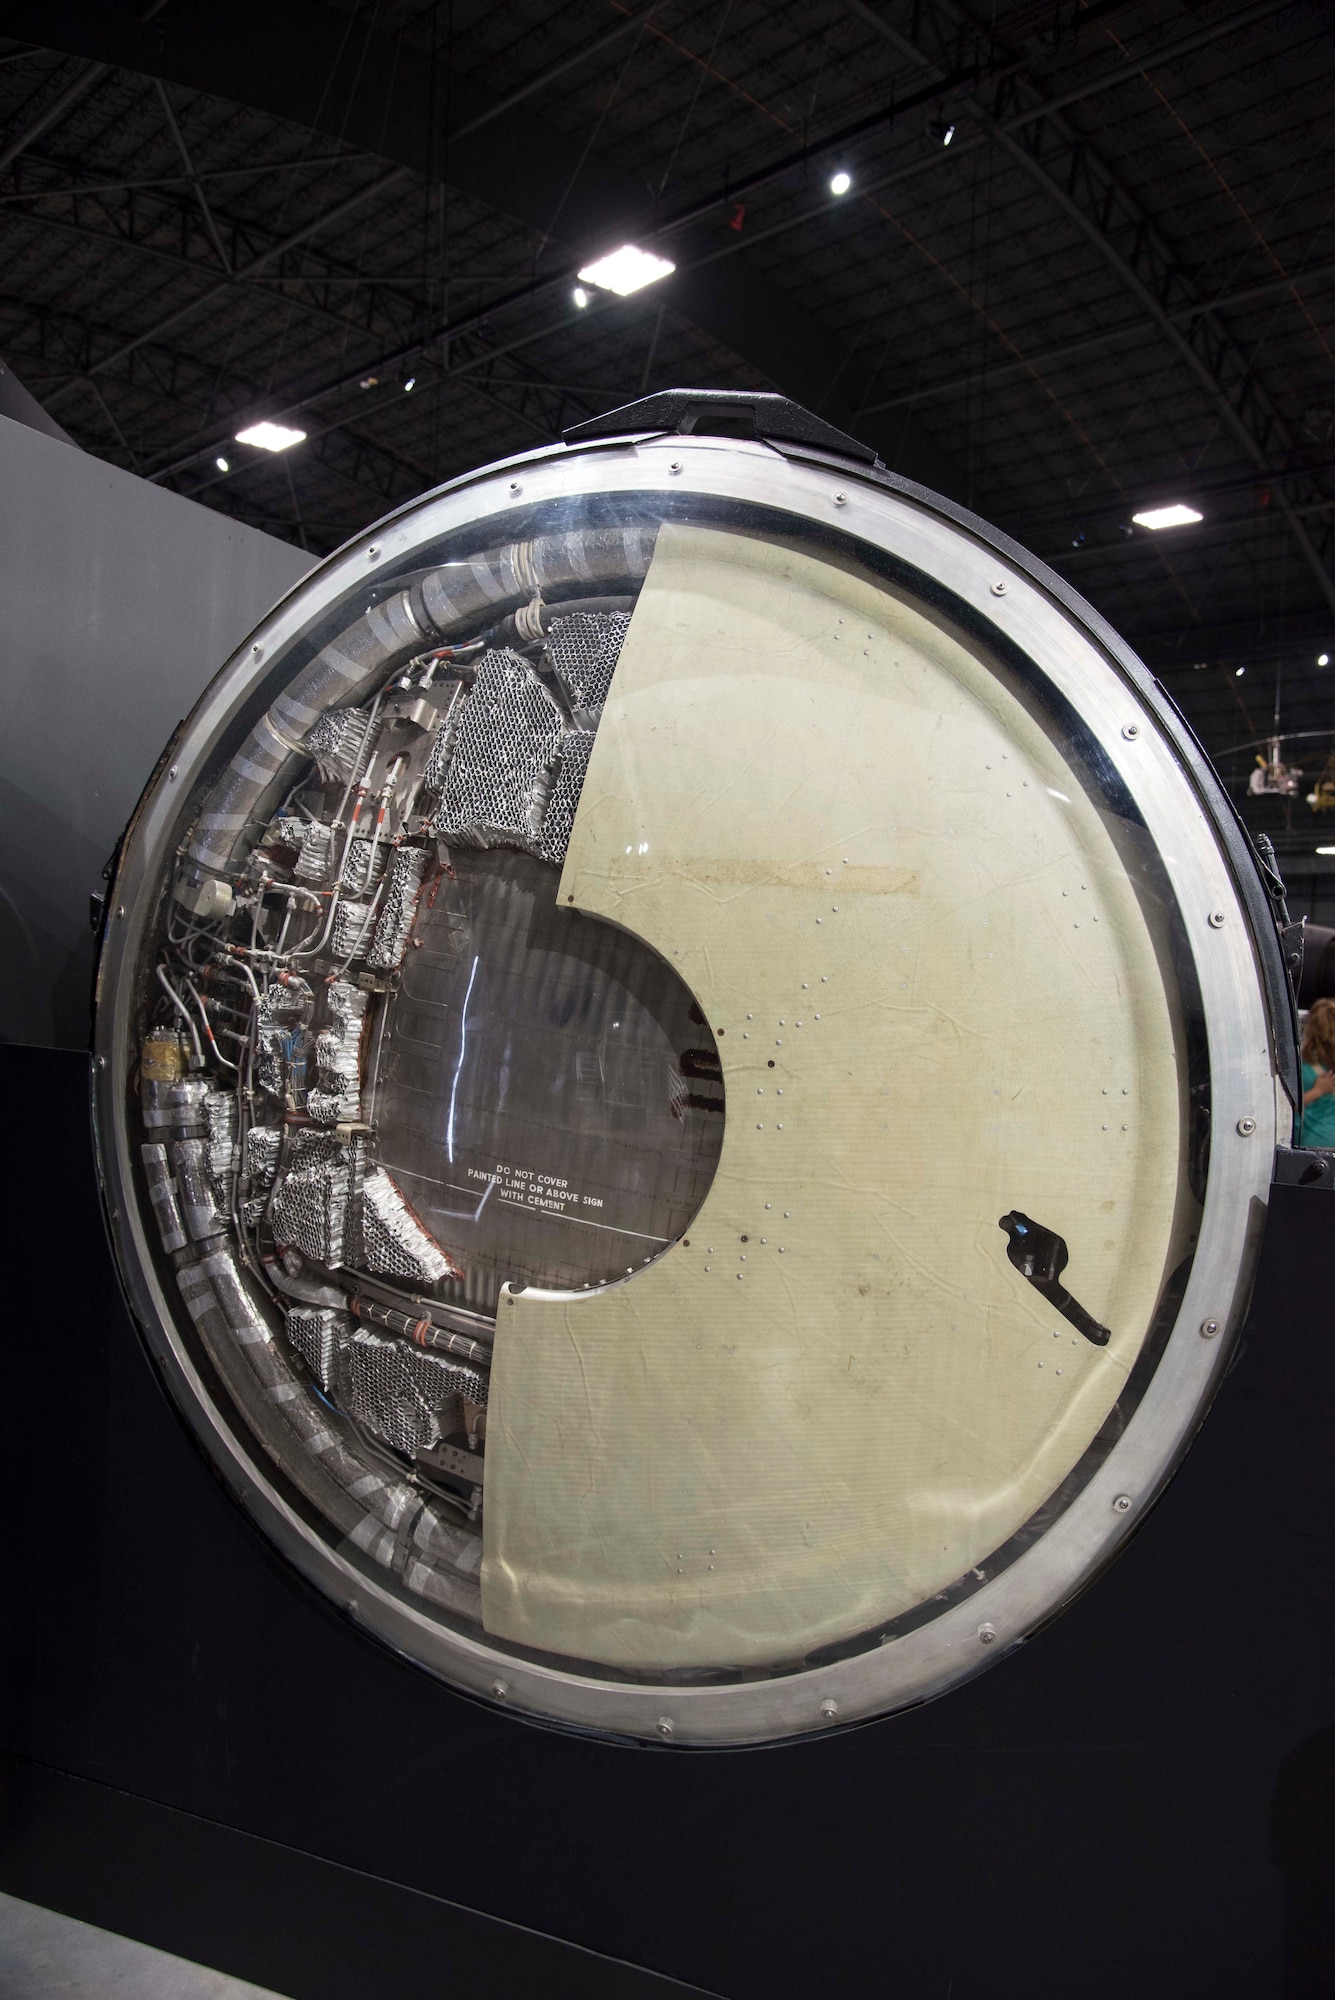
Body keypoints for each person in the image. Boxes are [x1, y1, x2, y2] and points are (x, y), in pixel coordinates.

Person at [1300, 996, 1335, 1148]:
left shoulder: (1302, 1066)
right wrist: (1319, 1091)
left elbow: (1287, 1106)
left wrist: (1317, 1091)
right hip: (1322, 1142)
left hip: (1315, 1142)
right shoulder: (1308, 1067)